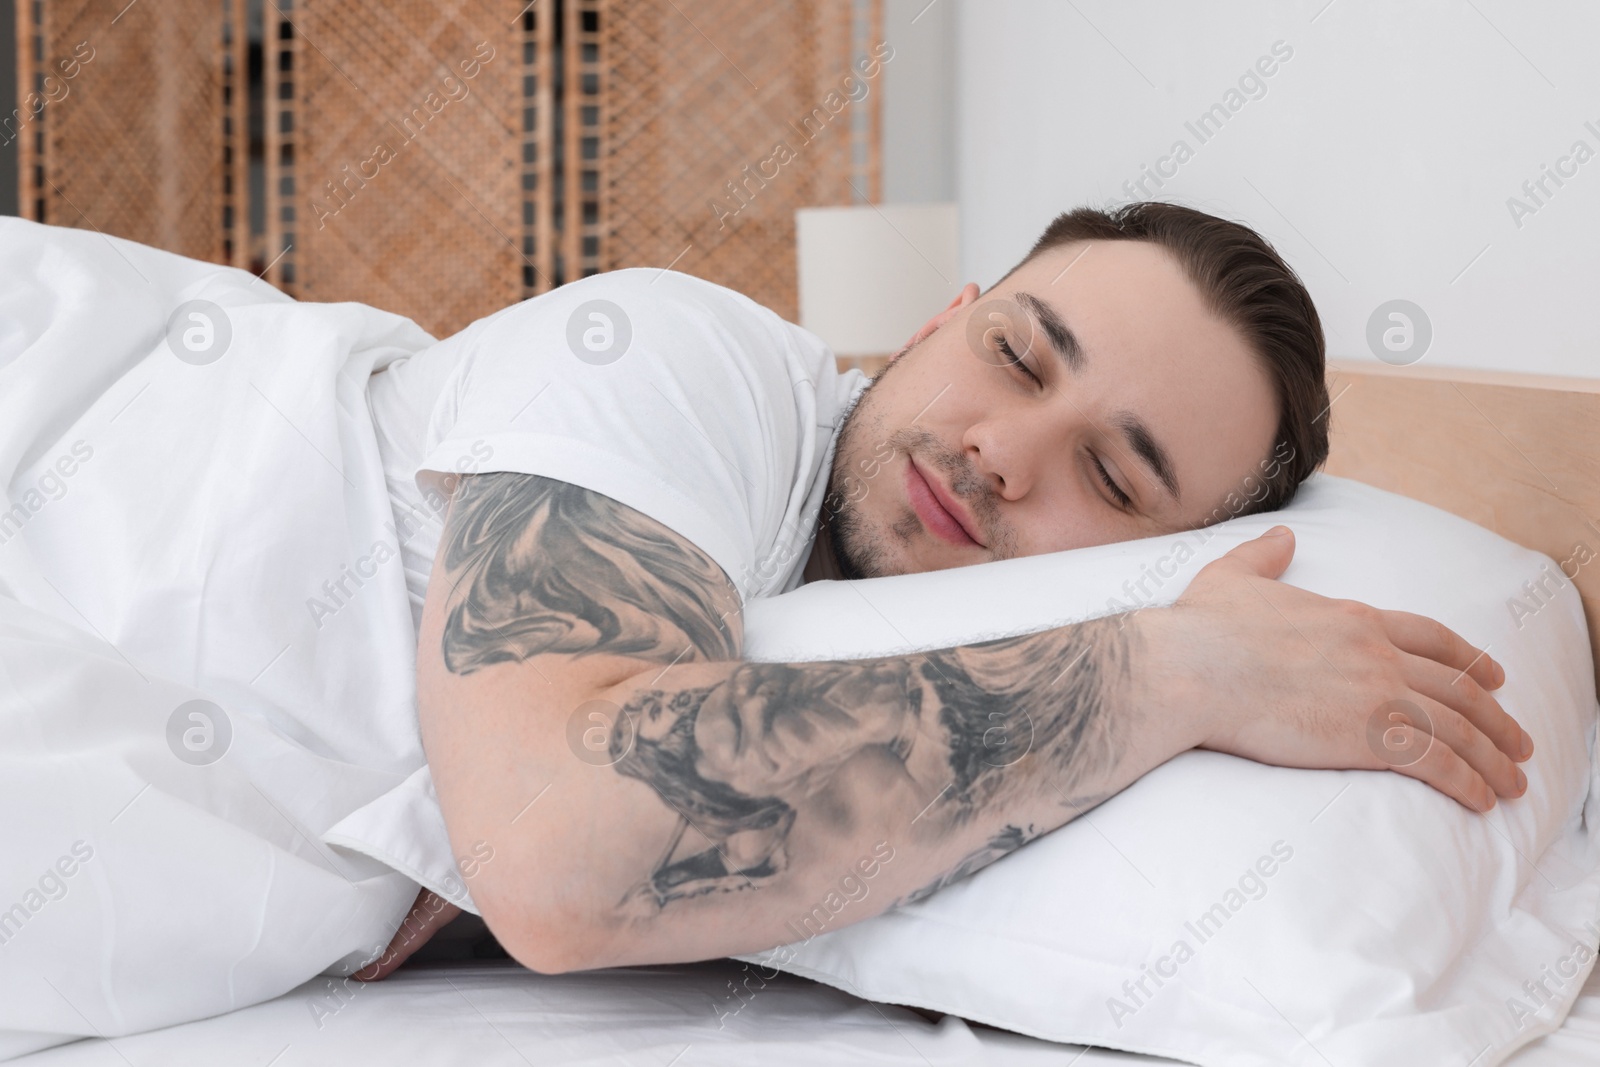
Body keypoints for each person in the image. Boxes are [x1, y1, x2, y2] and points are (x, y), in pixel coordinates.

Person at [354, 202, 1532, 979]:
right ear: (938, 321)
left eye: (1112, 477)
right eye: (1016, 355)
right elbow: (555, 846)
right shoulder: (684, 356)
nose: (1004, 452)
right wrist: (1182, 666)